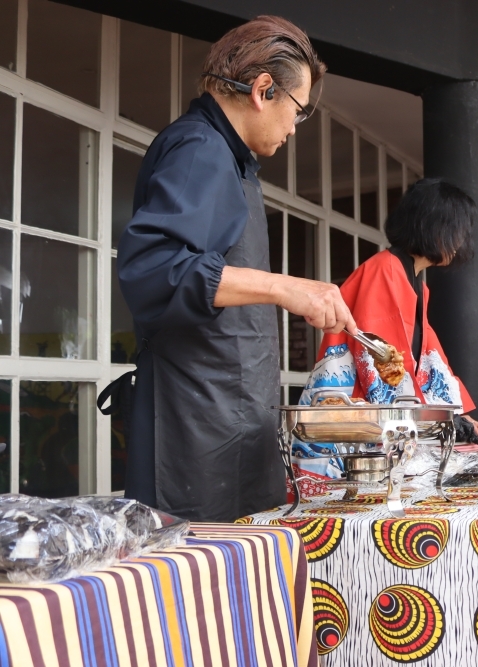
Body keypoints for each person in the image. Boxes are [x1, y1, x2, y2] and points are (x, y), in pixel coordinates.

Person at [116, 17, 355, 522]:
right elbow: (154, 269)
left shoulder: (232, 159)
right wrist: (283, 287)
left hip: (232, 425)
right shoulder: (200, 148)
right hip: (194, 437)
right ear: (263, 91)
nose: (294, 126)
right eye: (299, 111)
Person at [311, 179, 478, 437]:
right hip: (362, 419)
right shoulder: (385, 271)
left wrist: (456, 412)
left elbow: (430, 359)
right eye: (457, 230)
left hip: (382, 419)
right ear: (434, 226)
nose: (460, 241)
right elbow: (381, 361)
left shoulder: (412, 282)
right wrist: (442, 417)